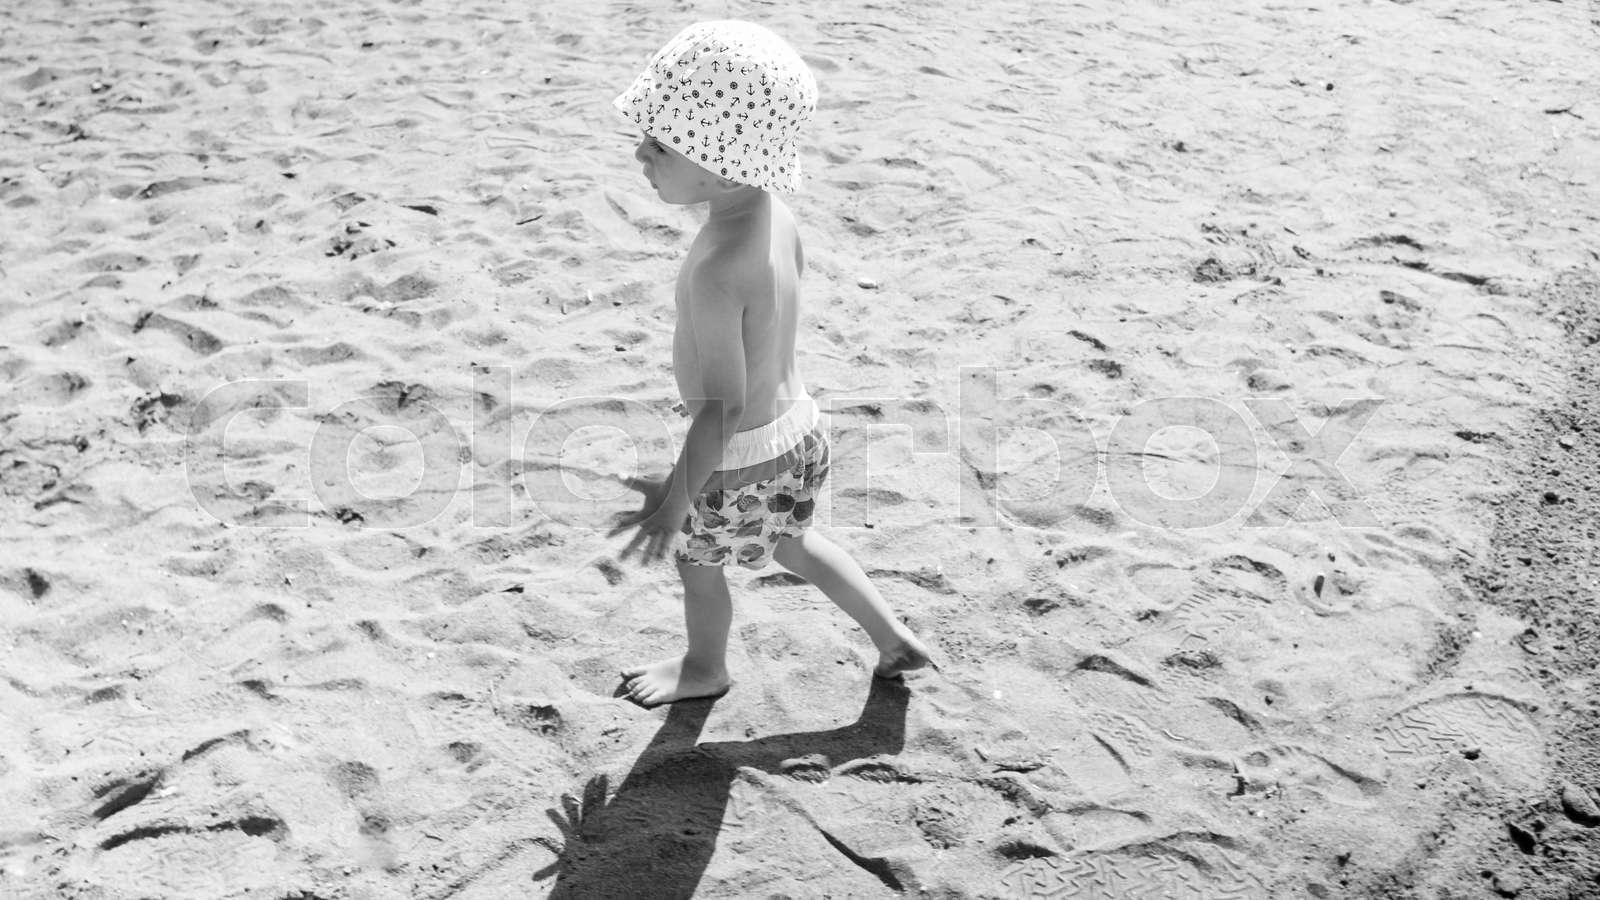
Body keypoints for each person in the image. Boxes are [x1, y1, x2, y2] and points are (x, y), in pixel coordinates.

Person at [607, 20, 935, 707]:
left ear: (721, 163)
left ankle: (705, 669)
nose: (641, 152)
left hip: (741, 455)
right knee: (795, 543)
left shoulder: (718, 268)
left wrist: (673, 502)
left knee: (699, 565)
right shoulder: (773, 213)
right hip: (799, 431)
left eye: (661, 143)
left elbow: (721, 410)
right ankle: (891, 635)